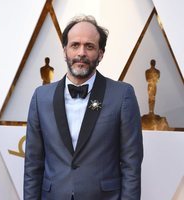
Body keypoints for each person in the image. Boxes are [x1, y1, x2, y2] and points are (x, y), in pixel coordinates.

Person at [24, 15, 143, 200]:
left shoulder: (122, 95)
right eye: (75, 45)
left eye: (89, 46)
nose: (81, 53)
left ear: (101, 53)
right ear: (64, 51)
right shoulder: (41, 97)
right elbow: (33, 164)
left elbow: (131, 164)